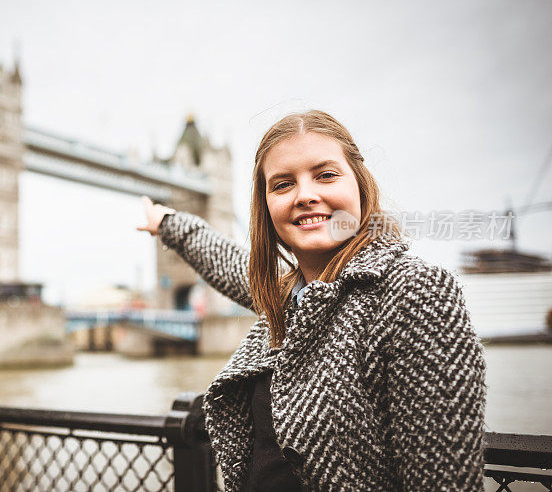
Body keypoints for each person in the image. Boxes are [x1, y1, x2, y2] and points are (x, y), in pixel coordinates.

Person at [136, 110, 486, 492]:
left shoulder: (414, 290)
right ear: (266, 205)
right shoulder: (285, 299)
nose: (305, 195)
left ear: (360, 184)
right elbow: (231, 263)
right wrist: (169, 223)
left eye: (325, 175)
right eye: (283, 184)